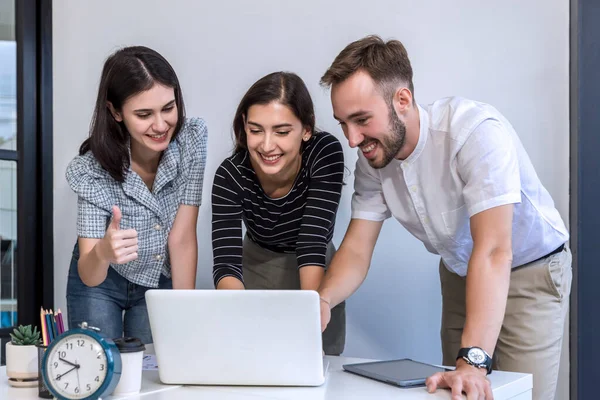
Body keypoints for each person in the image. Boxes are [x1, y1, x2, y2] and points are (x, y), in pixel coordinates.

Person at [317, 35, 570, 400]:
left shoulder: (473, 133)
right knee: (458, 393)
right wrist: (323, 300)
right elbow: (356, 249)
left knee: (516, 392)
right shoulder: (375, 157)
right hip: (459, 272)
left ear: (402, 100)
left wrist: (472, 359)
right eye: (343, 123)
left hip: (530, 271)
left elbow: (495, 250)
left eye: (361, 120)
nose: (353, 139)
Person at [66, 46, 208, 344]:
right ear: (115, 111)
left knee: (155, 373)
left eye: (168, 108)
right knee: (101, 370)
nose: (160, 125)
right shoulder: (90, 170)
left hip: (158, 277)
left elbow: (181, 238)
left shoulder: (191, 143)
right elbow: (90, 275)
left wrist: (185, 314)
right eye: (144, 114)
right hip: (101, 278)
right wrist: (104, 251)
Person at [211, 72, 346, 355]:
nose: (267, 145)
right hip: (257, 266)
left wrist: (312, 317)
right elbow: (226, 266)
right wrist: (242, 319)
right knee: (256, 356)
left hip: (316, 267)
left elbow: (312, 242)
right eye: (256, 130)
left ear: (306, 130)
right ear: (244, 127)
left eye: (282, 132)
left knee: (320, 363)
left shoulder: (325, 152)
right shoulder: (230, 175)